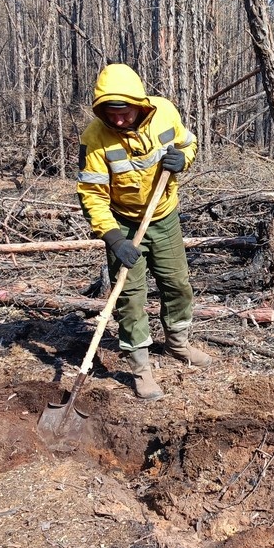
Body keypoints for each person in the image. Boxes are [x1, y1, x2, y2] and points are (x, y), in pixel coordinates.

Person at [77, 63, 213, 401]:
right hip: (123, 223)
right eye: (111, 112)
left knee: (177, 283)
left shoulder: (165, 112)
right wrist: (114, 239)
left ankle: (178, 345)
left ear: (140, 103)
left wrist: (184, 159)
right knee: (130, 298)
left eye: (124, 111)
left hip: (164, 216)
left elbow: (188, 142)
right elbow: (91, 194)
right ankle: (140, 369)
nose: (119, 119)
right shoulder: (95, 138)